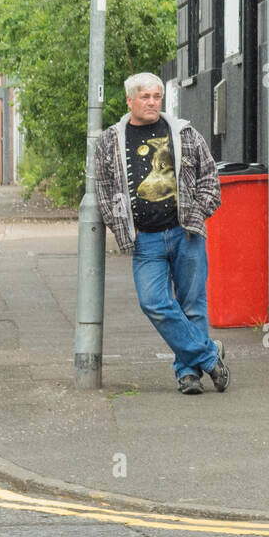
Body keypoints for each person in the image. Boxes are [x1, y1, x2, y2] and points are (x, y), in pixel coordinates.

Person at [94, 71, 229, 395]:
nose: (152, 102)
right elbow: (103, 189)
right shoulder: (110, 141)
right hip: (146, 241)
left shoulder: (184, 133)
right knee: (154, 302)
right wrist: (125, 228)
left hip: (186, 235)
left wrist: (196, 215)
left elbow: (210, 180)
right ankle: (210, 356)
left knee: (192, 304)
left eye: (156, 97)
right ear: (130, 100)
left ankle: (188, 374)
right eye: (145, 97)